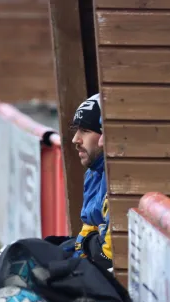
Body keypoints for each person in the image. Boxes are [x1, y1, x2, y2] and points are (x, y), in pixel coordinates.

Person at [69, 93, 113, 272]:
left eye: (85, 131)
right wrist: (88, 243)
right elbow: (85, 236)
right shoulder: (93, 173)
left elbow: (107, 257)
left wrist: (88, 244)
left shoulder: (118, 178)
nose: (75, 140)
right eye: (76, 130)